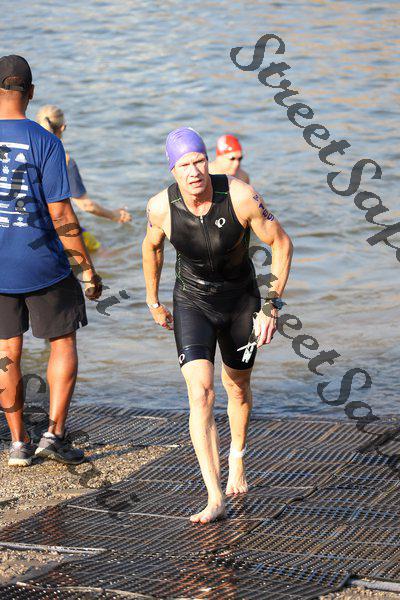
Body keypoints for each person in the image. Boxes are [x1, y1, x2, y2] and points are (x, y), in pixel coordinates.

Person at [142, 127, 293, 524]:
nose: (194, 171)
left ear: (208, 161)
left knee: (237, 386)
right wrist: (153, 300)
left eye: (199, 161)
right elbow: (151, 248)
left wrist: (272, 305)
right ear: (172, 170)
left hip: (241, 301)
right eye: (184, 165)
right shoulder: (160, 207)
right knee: (201, 392)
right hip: (192, 301)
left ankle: (237, 457)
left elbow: (281, 243)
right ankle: (214, 496)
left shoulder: (240, 196)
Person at [0, 55, 102, 468]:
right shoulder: (46, 142)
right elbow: (61, 214)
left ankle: (18, 443)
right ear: (31, 92)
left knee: (7, 350)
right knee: (62, 342)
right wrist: (87, 269)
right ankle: (54, 436)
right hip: (44, 265)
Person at [36, 105, 132, 250]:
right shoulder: (65, 161)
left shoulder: (23, 154)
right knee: (99, 249)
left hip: (25, 227)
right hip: (55, 231)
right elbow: (86, 205)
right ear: (63, 127)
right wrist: (114, 215)